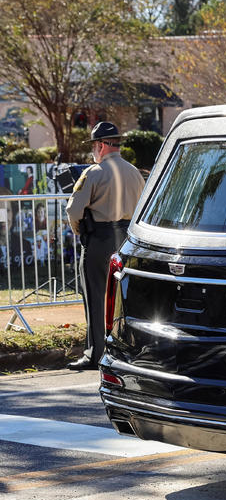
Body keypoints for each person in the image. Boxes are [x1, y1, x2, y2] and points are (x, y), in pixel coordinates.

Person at [65, 122, 145, 371]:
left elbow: (73, 210)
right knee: (125, 298)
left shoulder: (94, 172)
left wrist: (81, 233)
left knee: (96, 297)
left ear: (100, 146)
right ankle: (126, 350)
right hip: (126, 240)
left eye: (93, 146)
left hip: (99, 239)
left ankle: (95, 354)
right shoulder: (135, 172)